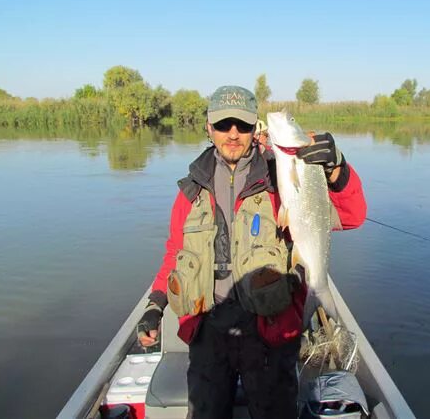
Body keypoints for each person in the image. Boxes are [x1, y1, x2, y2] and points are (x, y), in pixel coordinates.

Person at [137, 85, 367, 419]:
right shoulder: (191, 189)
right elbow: (176, 252)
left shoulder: (281, 176)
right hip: (208, 331)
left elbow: (352, 216)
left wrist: (337, 169)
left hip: (268, 333)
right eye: (223, 124)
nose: (233, 134)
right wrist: (155, 305)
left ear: (255, 127)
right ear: (208, 128)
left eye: (242, 125)